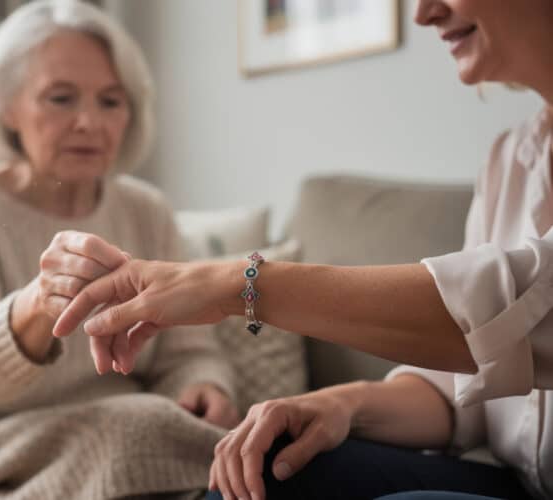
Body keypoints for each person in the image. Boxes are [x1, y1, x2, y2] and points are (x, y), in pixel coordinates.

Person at [53, 1, 553, 499]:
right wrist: (338, 404)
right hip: (514, 479)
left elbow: (513, 315)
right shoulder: (510, 160)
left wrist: (234, 284)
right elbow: (465, 381)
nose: (424, 13)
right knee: (272, 466)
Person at [0, 2, 238, 499]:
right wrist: (36, 302)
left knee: (194, 433)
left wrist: (205, 386)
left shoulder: (147, 210)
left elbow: (189, 350)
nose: (89, 123)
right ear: (6, 106)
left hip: (109, 424)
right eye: (61, 98)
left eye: (111, 102)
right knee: (143, 430)